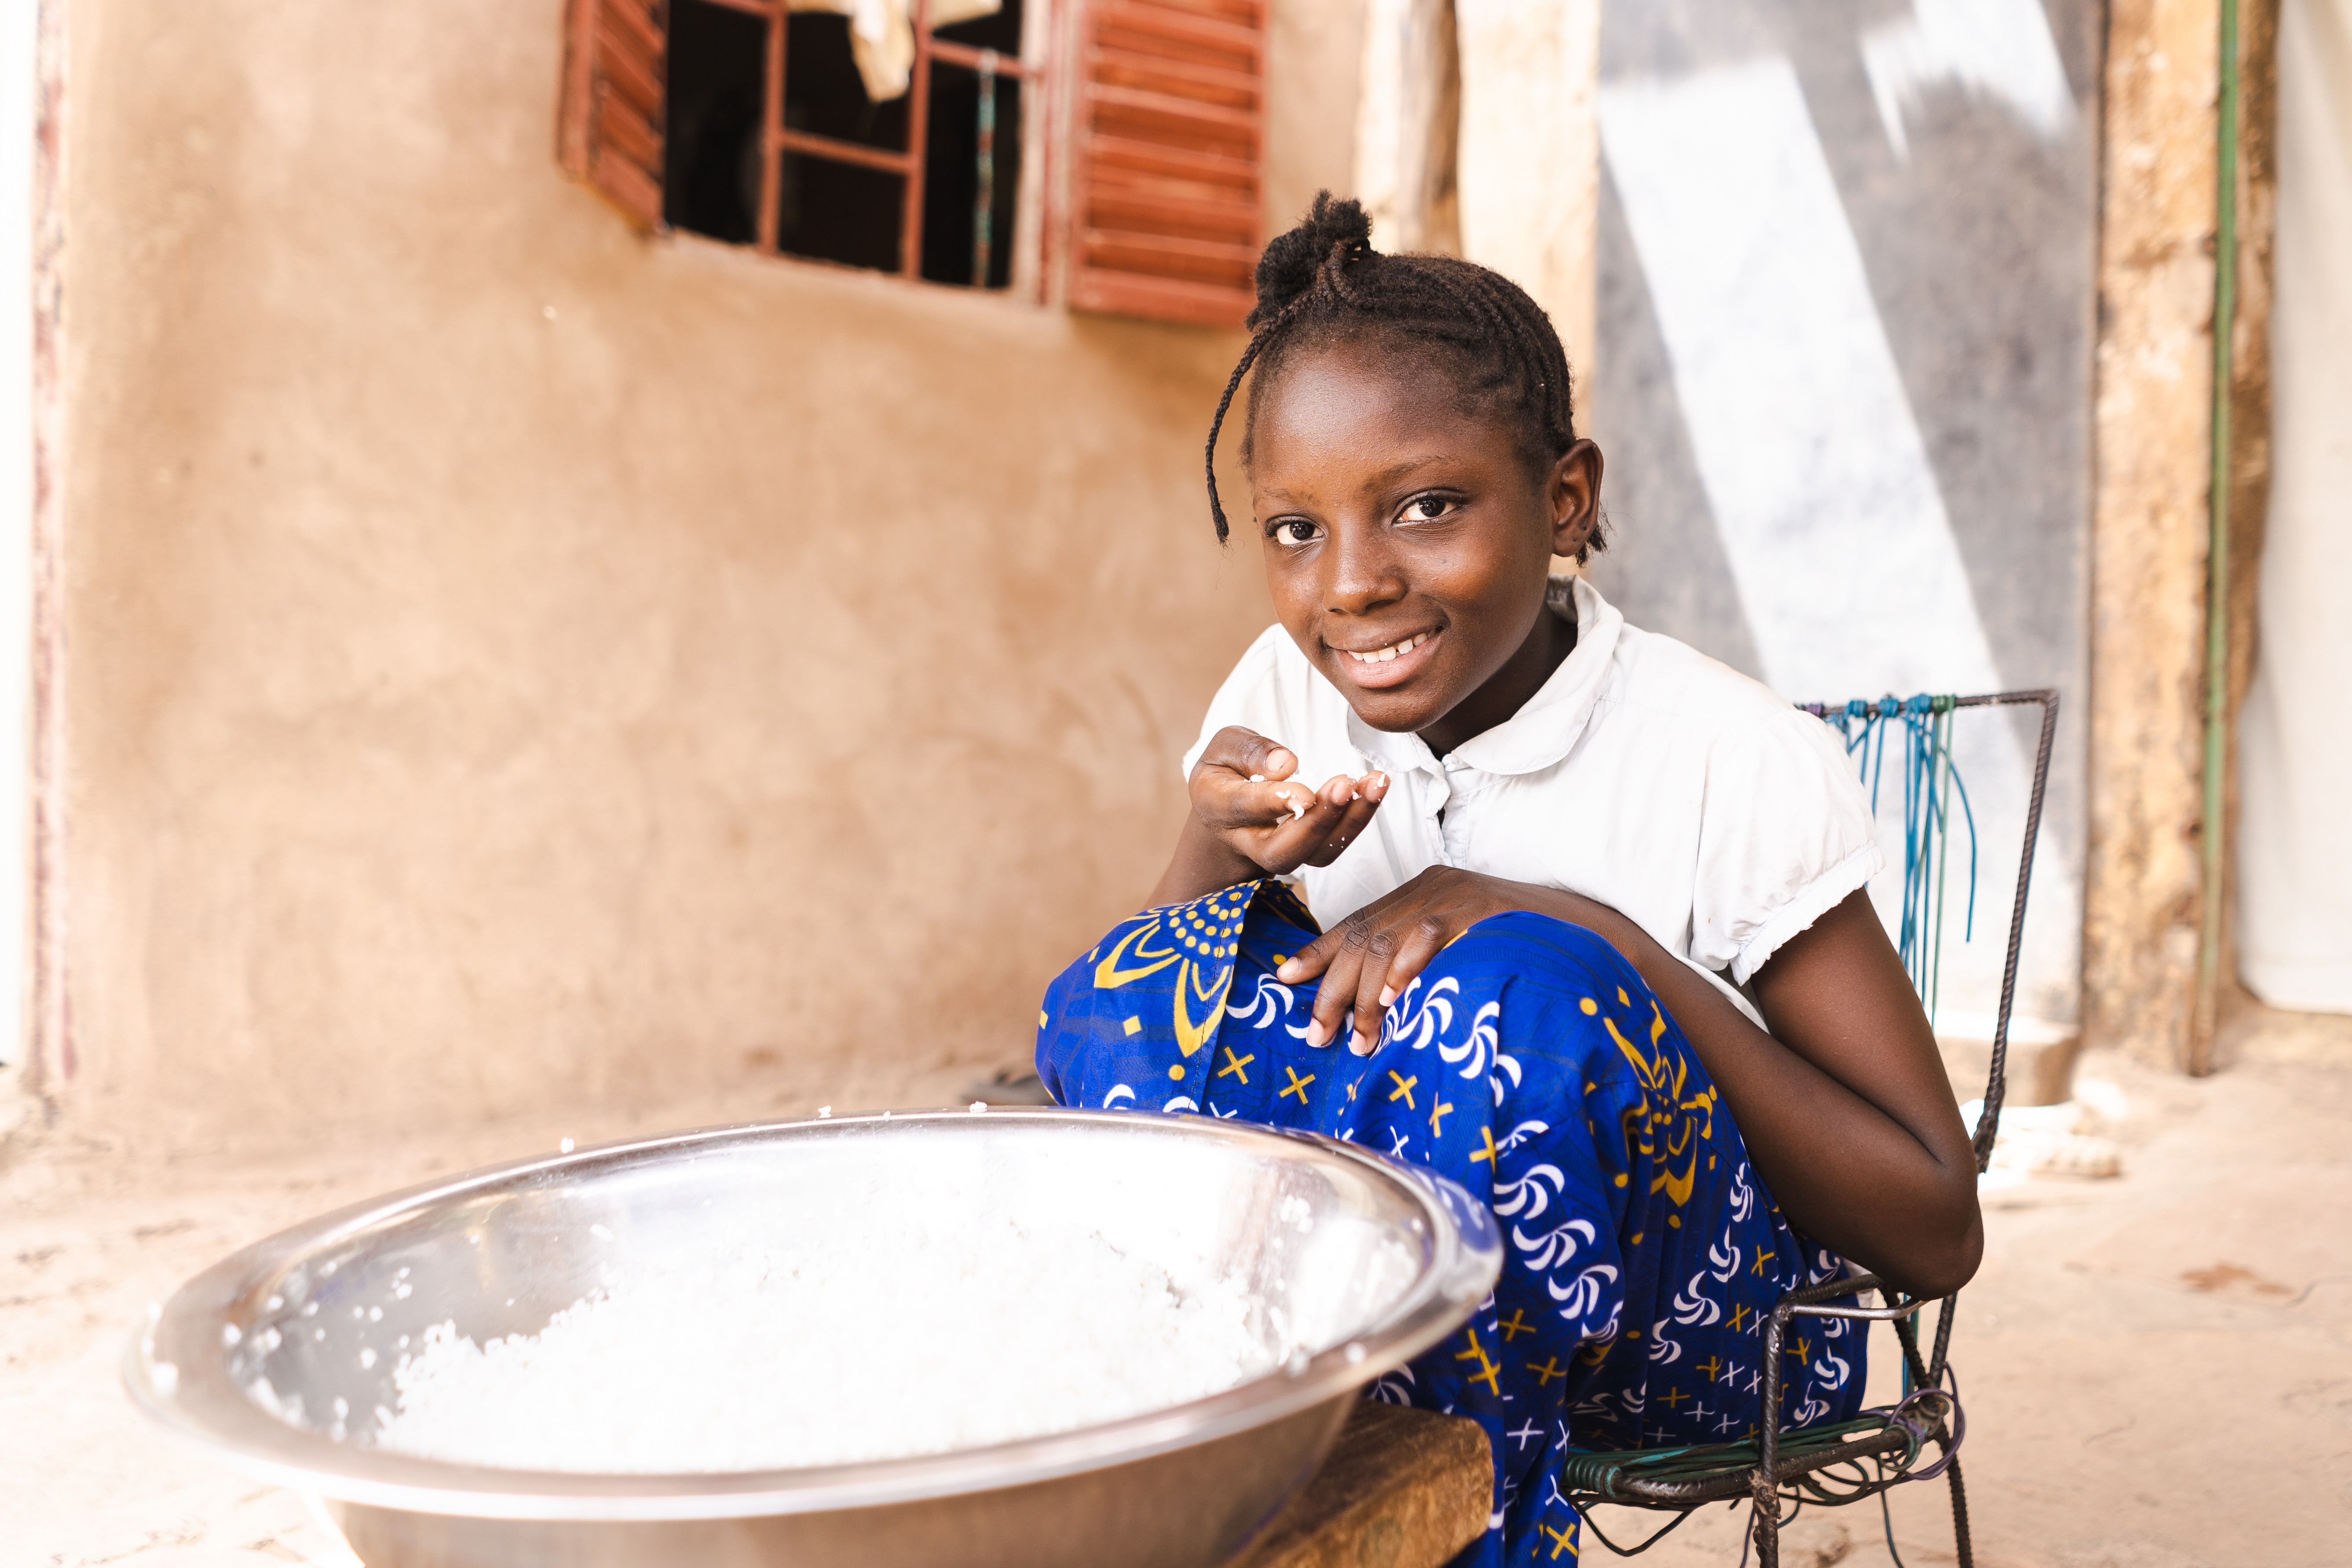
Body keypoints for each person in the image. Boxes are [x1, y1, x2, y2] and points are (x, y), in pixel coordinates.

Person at [1033, 194, 1981, 1565]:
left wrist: (1577, 927)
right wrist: (1214, 856)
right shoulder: (1287, 692)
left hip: (1690, 1344)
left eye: (1424, 507)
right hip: (1351, 1303)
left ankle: (1451, 1522)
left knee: (1519, 999)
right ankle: (1172, 1481)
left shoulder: (1723, 754)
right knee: (1125, 989)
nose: (1349, 586)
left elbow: (1933, 1226)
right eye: (1295, 528)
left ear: (1565, 497)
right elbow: (1122, 1047)